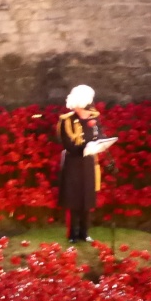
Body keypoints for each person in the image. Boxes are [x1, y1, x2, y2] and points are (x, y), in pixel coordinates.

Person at [56, 84, 108, 244]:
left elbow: (101, 135)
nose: (88, 112)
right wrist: (85, 148)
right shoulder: (67, 121)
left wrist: (100, 144)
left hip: (88, 163)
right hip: (73, 163)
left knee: (87, 199)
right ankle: (73, 234)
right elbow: (67, 144)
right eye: (84, 108)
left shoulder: (94, 119)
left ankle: (85, 233)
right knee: (74, 200)